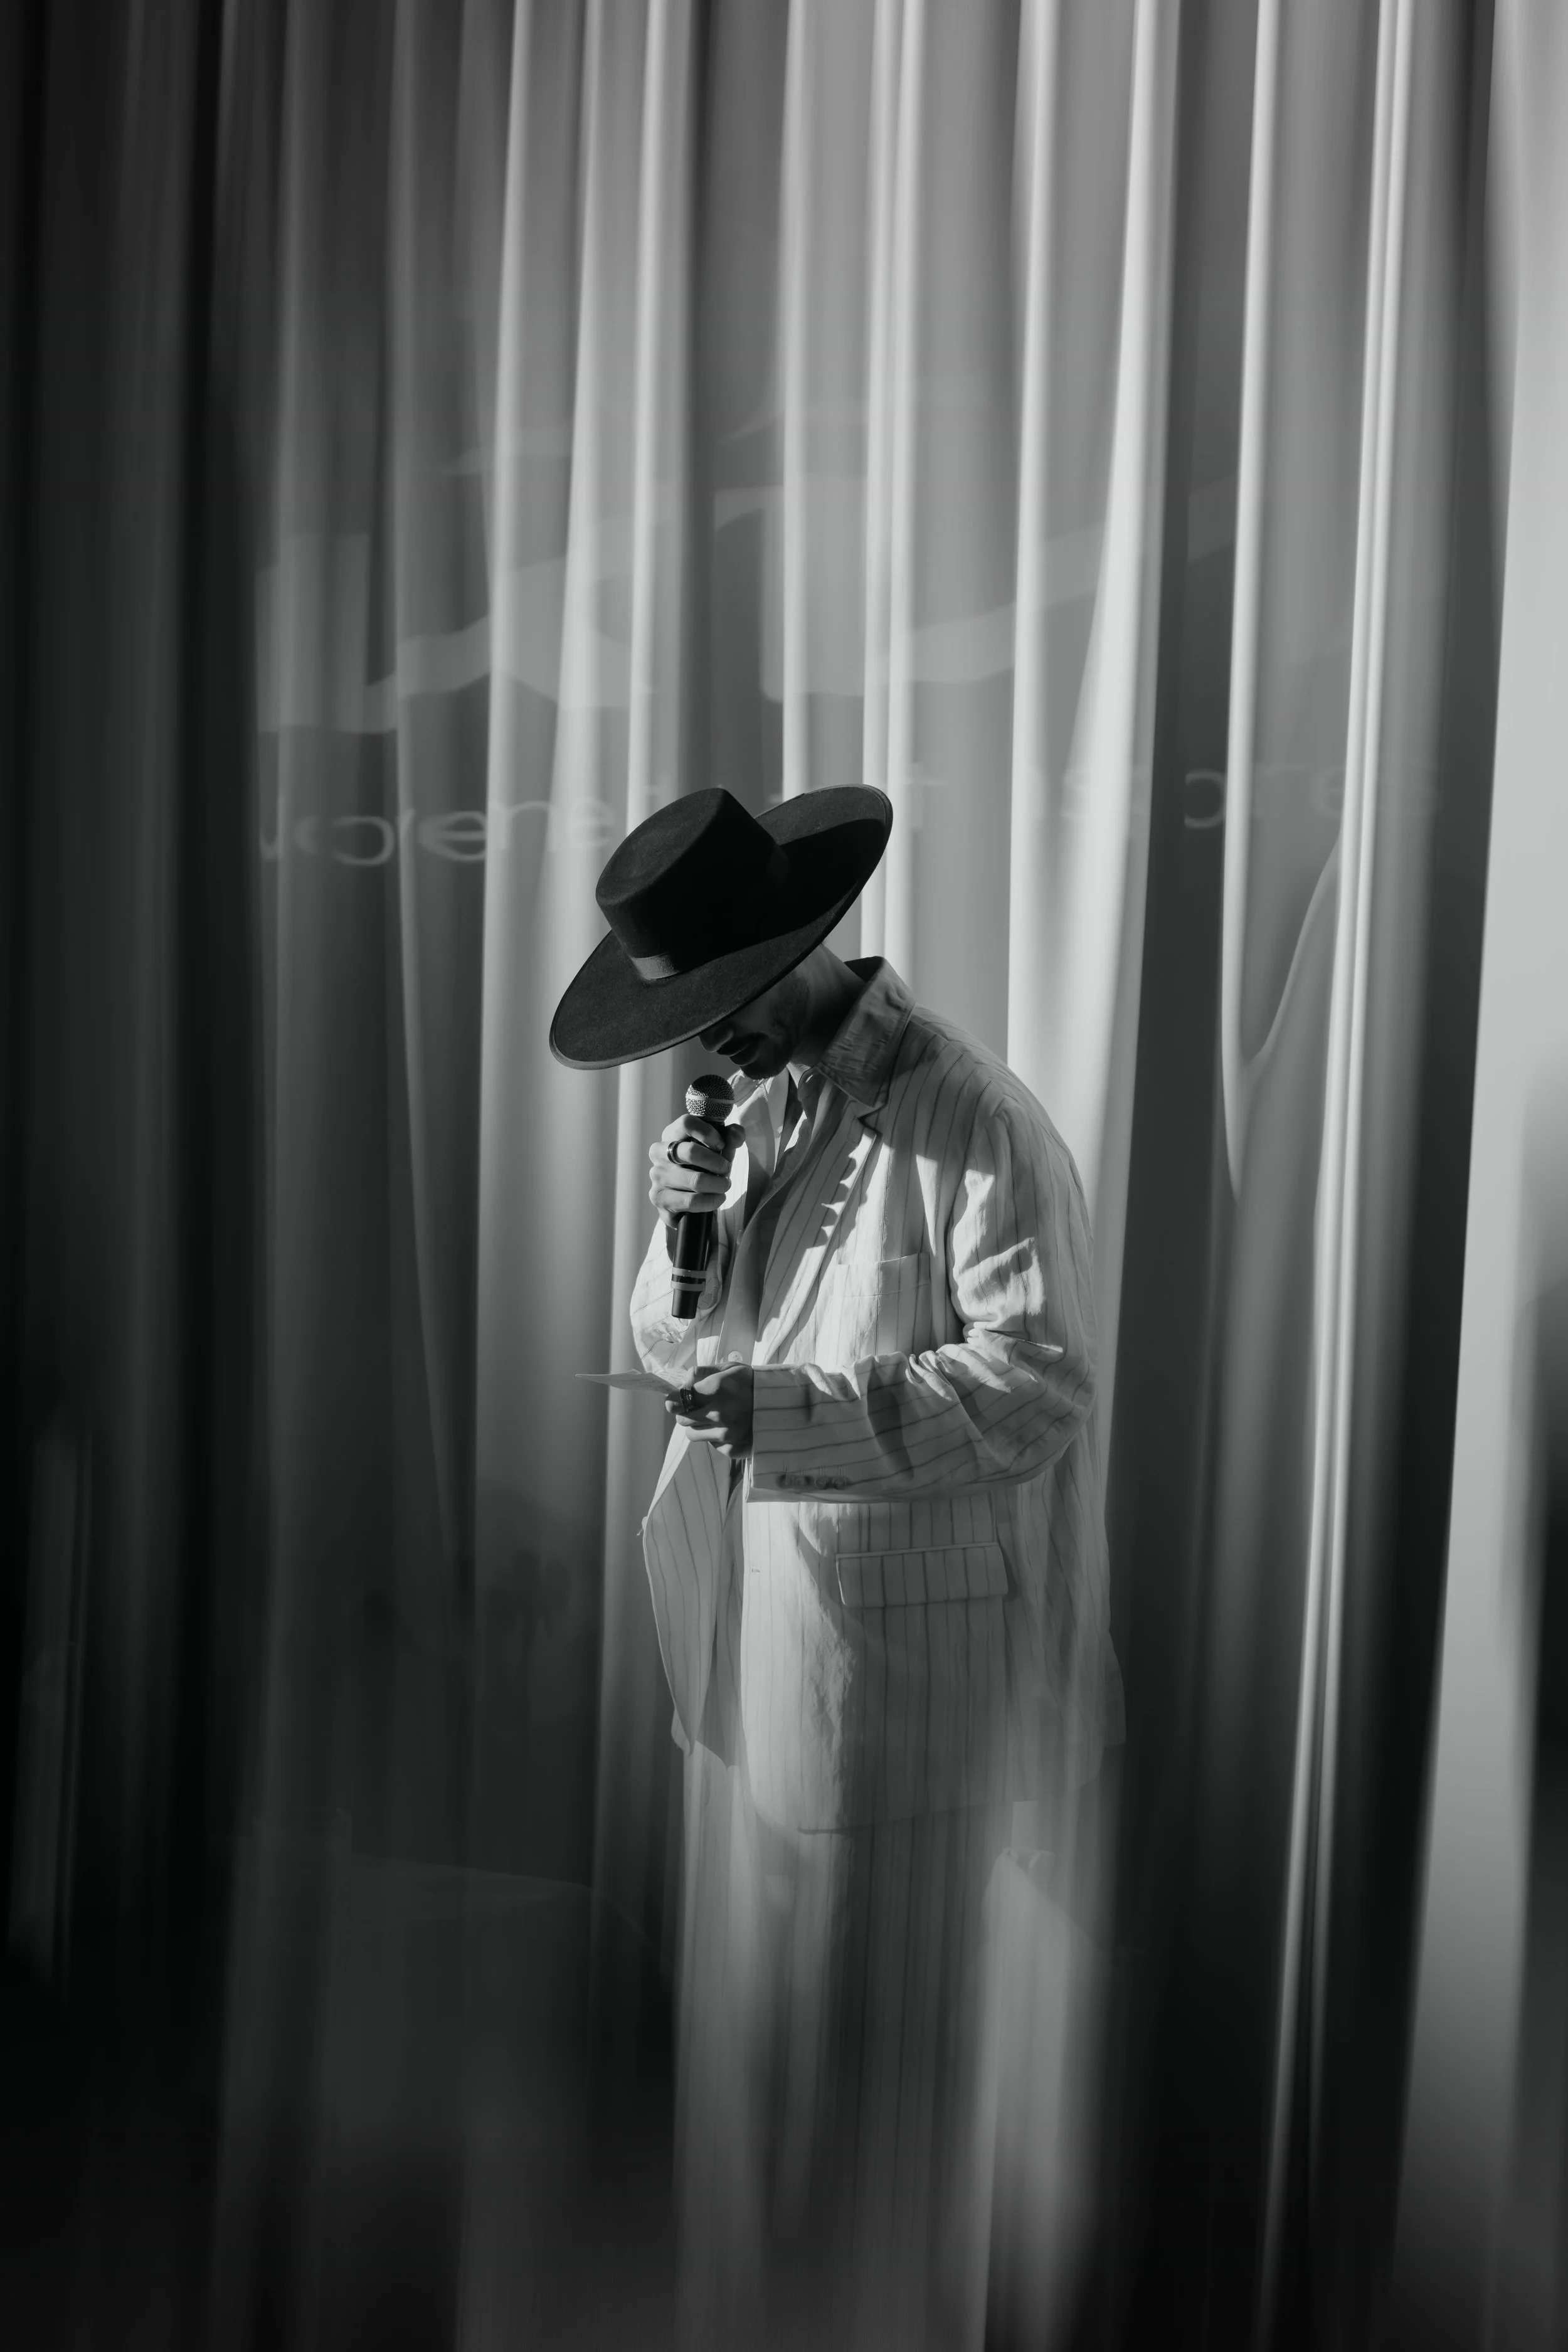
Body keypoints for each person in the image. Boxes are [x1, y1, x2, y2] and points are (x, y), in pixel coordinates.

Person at [551, 785, 1120, 2351]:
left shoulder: (973, 1118)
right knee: (772, 2074)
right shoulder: (757, 1111)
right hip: (757, 1659)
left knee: (879, 2098)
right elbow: (684, 1349)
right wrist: (688, 1251)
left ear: (794, 956)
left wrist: (785, 1416)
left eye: (718, 1009)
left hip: (899, 1699)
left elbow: (1037, 1389)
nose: (699, 1047)